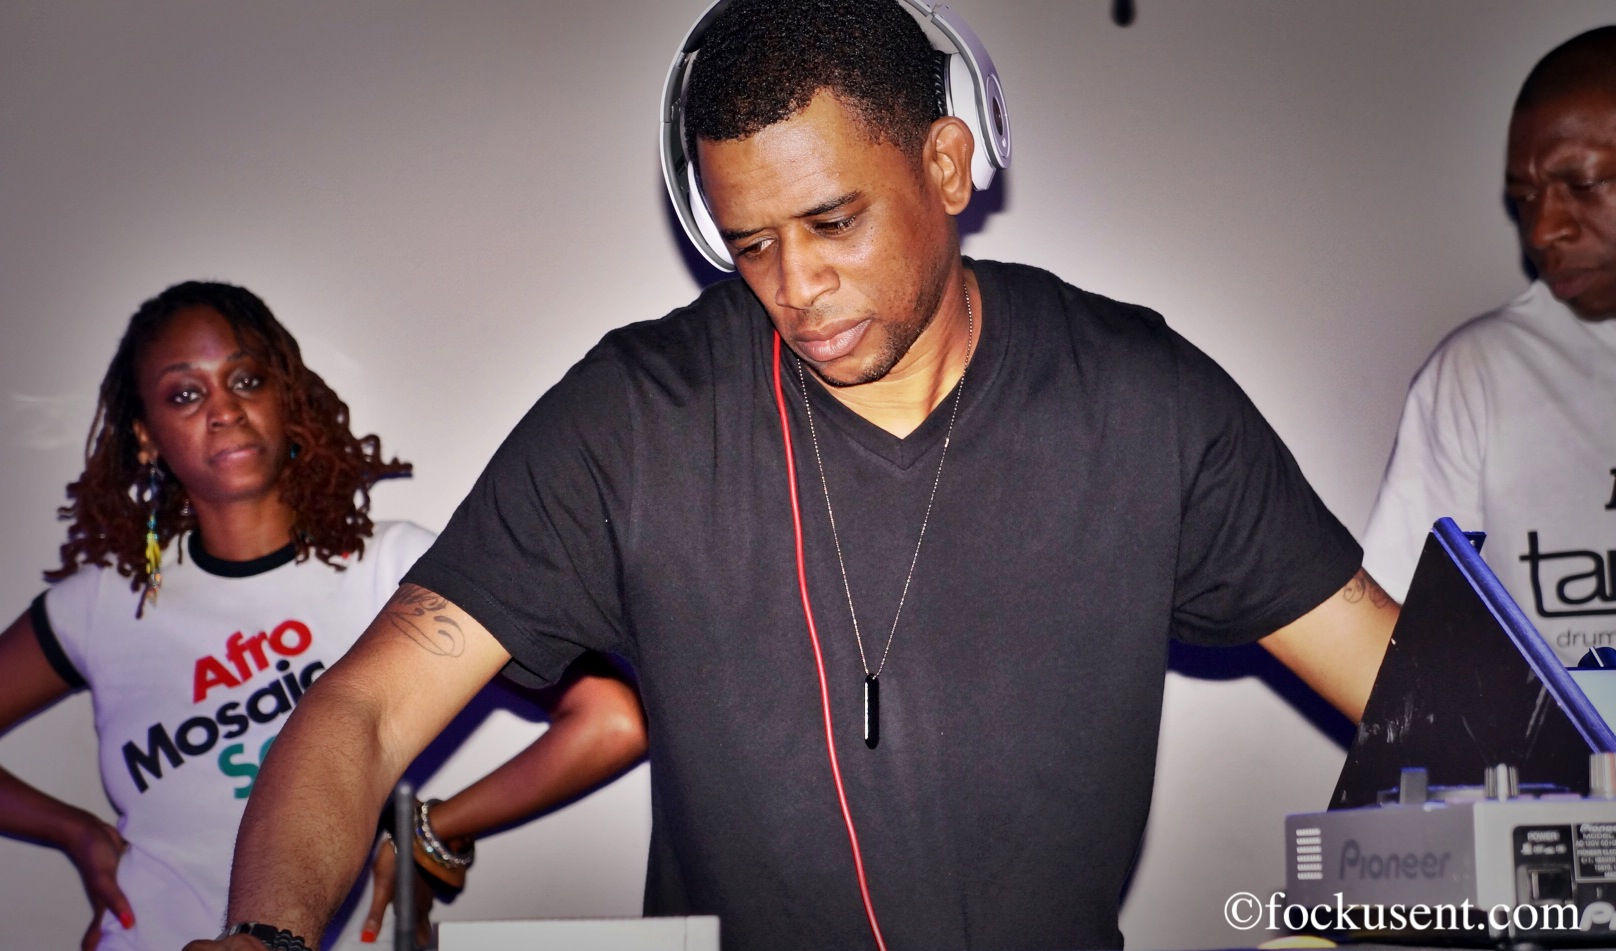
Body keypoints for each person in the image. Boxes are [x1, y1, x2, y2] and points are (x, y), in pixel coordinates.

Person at [188, 2, 1397, 950]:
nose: (793, 288)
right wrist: (265, 936)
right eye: (749, 244)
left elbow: (1435, 702)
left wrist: (1354, 921)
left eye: (831, 223)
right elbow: (364, 712)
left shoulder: (1140, 400)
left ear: (947, 162)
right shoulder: (633, 421)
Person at [0, 281, 646, 951]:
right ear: (144, 435)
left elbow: (614, 720)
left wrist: (432, 831)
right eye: (185, 394)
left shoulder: (391, 567)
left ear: (287, 397)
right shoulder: (103, 604)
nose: (224, 410)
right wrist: (73, 833)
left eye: (246, 379)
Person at [1362, 26, 1616, 668]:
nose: (1542, 229)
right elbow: (1399, 654)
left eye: (1583, 182)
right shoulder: (1478, 373)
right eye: (1523, 198)